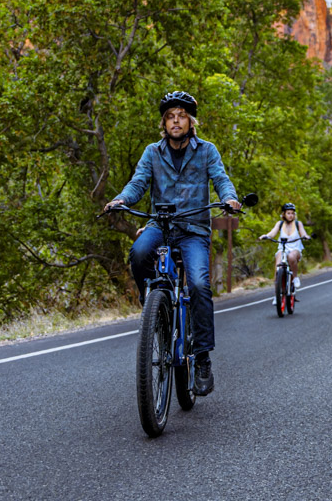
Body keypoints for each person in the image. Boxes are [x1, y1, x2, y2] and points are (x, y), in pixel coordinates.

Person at [105, 91, 240, 396]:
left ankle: (203, 357)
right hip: (160, 225)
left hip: (193, 229)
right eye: (170, 116)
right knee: (139, 253)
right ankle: (152, 309)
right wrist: (121, 199)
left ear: (191, 122)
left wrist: (229, 198)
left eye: (181, 115)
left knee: (200, 283)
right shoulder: (152, 152)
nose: (175, 121)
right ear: (164, 123)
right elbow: (138, 182)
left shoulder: (206, 151)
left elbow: (220, 178)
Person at [259, 203, 309, 289]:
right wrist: (266, 236)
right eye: (288, 213)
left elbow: (303, 233)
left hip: (295, 249)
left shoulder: (298, 223)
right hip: (283, 249)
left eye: (292, 213)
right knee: (278, 267)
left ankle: (295, 278)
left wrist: (306, 236)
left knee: (291, 256)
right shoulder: (280, 224)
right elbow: (272, 233)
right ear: (284, 214)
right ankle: (277, 294)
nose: (291, 215)